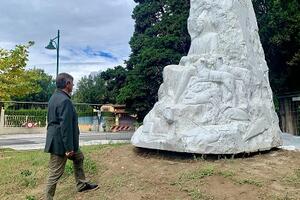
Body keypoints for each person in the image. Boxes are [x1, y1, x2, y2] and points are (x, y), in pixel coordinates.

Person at [45, 73, 98, 200]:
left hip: (61, 140)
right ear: (67, 84)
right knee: (55, 172)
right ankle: (48, 198)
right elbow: (66, 126)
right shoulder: (64, 101)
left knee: (79, 157)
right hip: (61, 143)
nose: (73, 85)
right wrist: (68, 148)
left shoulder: (54, 97)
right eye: (72, 83)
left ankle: (81, 185)